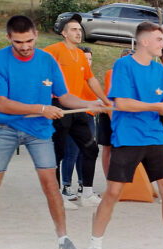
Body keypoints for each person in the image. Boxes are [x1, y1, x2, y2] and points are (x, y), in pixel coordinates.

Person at [0, 15, 102, 249]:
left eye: (29, 40)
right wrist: (41, 109)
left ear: (36, 35)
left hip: (39, 131)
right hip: (5, 129)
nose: (25, 46)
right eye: (18, 42)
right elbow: (2, 104)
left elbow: (64, 97)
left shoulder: (47, 60)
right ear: (9, 38)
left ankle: (64, 239)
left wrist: (91, 104)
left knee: (51, 185)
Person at [80, 22, 163, 249]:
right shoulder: (123, 65)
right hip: (128, 137)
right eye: (159, 40)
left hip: (154, 137)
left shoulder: (158, 70)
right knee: (112, 193)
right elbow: (121, 103)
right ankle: (94, 246)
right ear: (144, 42)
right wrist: (157, 107)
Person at [45, 14, 111, 209]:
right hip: (59, 107)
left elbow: (91, 80)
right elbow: (39, 73)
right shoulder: (52, 51)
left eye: (79, 29)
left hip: (78, 107)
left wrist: (106, 102)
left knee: (90, 148)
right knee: (57, 154)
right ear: (63, 33)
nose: (78, 32)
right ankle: (57, 196)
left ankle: (87, 193)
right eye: (73, 29)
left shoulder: (81, 54)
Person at [61, 46, 97, 201]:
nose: (87, 61)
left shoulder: (90, 78)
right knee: (71, 153)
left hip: (88, 117)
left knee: (87, 152)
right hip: (73, 115)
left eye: (89, 58)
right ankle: (66, 186)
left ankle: (84, 185)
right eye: (85, 58)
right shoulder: (73, 77)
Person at [95, 49, 132, 179]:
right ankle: (108, 178)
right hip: (110, 114)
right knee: (108, 147)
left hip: (125, 116)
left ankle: (124, 179)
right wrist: (115, 123)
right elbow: (111, 100)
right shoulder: (112, 73)